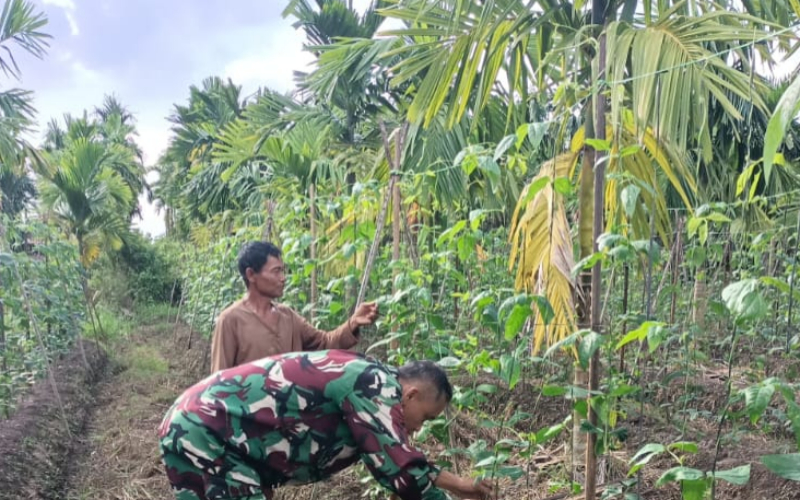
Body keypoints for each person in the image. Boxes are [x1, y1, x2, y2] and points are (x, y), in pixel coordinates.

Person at [158, 349, 494, 500]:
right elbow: (401, 471)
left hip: (198, 425)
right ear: (411, 395)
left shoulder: (370, 379)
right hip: (204, 428)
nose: (419, 428)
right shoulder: (375, 385)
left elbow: (396, 469)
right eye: (426, 417)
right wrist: (461, 487)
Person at [210, 241, 379, 372]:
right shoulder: (230, 320)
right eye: (276, 271)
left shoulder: (287, 316)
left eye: (283, 271)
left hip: (291, 407)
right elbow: (218, 381)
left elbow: (325, 343)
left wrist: (353, 323)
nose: (283, 278)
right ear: (251, 275)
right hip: (251, 408)